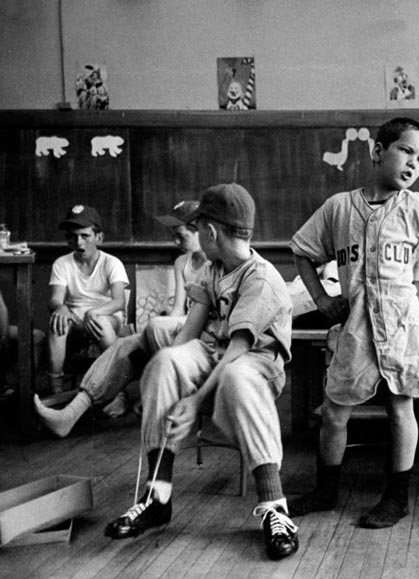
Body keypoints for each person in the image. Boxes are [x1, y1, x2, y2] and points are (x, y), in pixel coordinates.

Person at [287, 117, 419, 528]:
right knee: (335, 413)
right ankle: (326, 490)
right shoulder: (339, 208)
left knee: (399, 408)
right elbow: (301, 249)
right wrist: (320, 297)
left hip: (401, 326)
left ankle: (397, 496)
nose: (413, 164)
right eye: (405, 151)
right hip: (356, 327)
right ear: (377, 151)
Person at [103, 184, 299, 561]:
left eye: (198, 229)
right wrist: (159, 386)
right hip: (214, 353)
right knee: (166, 362)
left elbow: (240, 349)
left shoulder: (262, 277)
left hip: (256, 364)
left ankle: (276, 508)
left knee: (236, 376)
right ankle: (157, 496)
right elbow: (189, 334)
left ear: (209, 232)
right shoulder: (213, 268)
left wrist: (193, 401)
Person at [33, 201, 209, 437]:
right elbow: (178, 309)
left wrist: (161, 325)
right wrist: (155, 327)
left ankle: (158, 397)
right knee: (123, 345)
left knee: (155, 327)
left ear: (202, 230)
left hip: (203, 334)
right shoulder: (182, 262)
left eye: (181, 236)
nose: (175, 242)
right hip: (183, 326)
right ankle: (69, 415)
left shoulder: (218, 264)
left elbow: (209, 317)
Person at [46, 205, 129, 393]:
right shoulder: (62, 263)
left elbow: (118, 302)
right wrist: (61, 308)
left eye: (85, 236)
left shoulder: (112, 263)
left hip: (106, 315)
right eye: (73, 236)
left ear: (99, 238)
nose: (79, 242)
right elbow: (55, 299)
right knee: (57, 322)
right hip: (76, 317)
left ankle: (118, 391)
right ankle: (56, 388)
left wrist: (95, 312)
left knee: (101, 323)